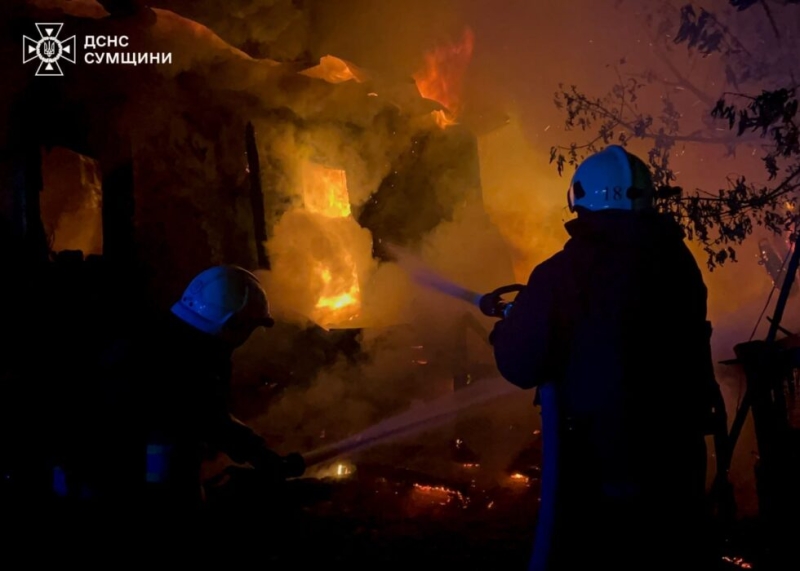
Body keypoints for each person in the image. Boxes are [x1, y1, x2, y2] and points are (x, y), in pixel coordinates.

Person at [489, 146, 725, 570]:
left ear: (578, 200)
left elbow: (519, 364)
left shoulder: (561, 273)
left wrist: (506, 330)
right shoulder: (680, 262)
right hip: (678, 462)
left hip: (600, 463)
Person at [73, 265, 305, 523]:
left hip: (98, 472)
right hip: (120, 484)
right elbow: (207, 418)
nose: (249, 337)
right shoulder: (191, 357)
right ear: (232, 323)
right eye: (250, 328)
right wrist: (262, 456)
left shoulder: (166, 334)